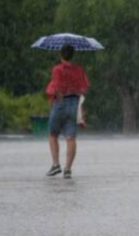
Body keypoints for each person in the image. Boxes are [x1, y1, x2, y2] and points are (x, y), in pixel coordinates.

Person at [45, 44, 90, 179]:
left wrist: (59, 99)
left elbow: (57, 87)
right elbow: (84, 88)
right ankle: (68, 169)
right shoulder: (79, 70)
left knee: (53, 135)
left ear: (61, 54)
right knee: (71, 138)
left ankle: (56, 165)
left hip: (61, 102)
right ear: (73, 55)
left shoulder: (57, 69)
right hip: (74, 103)